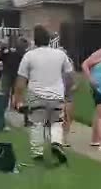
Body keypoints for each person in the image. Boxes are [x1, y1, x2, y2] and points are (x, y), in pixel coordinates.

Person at [14, 25, 73, 164]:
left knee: (37, 123)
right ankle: (56, 143)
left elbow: (21, 80)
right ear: (49, 40)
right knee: (56, 123)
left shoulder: (29, 55)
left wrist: (18, 99)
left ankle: (37, 153)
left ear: (35, 40)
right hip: (56, 95)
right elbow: (70, 76)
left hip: (36, 94)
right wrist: (67, 91)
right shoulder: (60, 54)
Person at [60, 48, 77, 147]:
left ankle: (65, 138)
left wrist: (75, 85)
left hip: (69, 93)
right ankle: (57, 138)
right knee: (59, 117)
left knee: (68, 117)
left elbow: (74, 76)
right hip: (58, 93)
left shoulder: (70, 63)